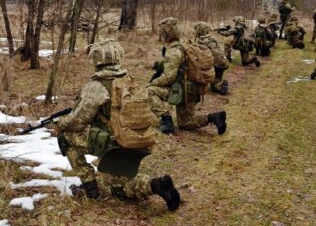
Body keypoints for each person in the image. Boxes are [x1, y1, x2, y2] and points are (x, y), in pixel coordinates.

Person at [52, 39, 180, 210]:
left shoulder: (97, 86)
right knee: (120, 186)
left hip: (117, 145)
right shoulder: (128, 79)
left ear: (97, 59)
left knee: (66, 138)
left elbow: (78, 121)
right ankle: (156, 185)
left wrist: (60, 123)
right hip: (140, 141)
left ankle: (91, 189)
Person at [148, 17, 227, 135]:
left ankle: (167, 121)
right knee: (185, 123)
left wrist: (152, 83)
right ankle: (214, 118)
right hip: (193, 88)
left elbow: (168, 77)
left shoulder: (173, 50)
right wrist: (159, 65)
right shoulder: (182, 46)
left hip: (183, 90)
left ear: (166, 33)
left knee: (150, 91)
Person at [194, 21, 229, 95]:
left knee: (212, 84)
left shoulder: (200, 41)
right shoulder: (211, 39)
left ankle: (217, 85)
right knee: (216, 80)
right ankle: (219, 83)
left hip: (214, 65)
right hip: (223, 62)